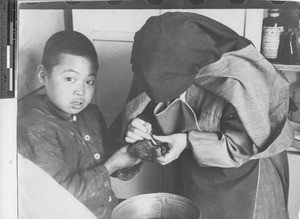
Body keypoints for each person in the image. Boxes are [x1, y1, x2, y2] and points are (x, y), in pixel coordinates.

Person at [123, 12, 294, 219]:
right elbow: (144, 106)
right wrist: (140, 128)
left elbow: (242, 146)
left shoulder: (240, 80)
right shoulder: (153, 64)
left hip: (245, 172)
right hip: (193, 172)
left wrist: (187, 142)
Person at [17, 30, 141, 219]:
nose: (80, 91)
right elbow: (59, 198)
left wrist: (135, 146)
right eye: (70, 79)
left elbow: (114, 165)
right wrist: (112, 165)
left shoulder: (90, 114)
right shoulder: (36, 128)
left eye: (89, 81)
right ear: (43, 76)